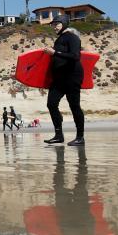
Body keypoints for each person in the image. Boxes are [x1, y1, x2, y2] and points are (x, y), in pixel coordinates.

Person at [44, 15, 85, 146]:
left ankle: (80, 137)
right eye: (53, 24)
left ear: (64, 23)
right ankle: (58, 135)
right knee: (51, 104)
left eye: (57, 24)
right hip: (59, 78)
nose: (54, 26)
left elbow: (75, 56)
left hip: (72, 76)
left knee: (74, 106)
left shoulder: (73, 38)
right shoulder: (59, 39)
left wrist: (55, 53)